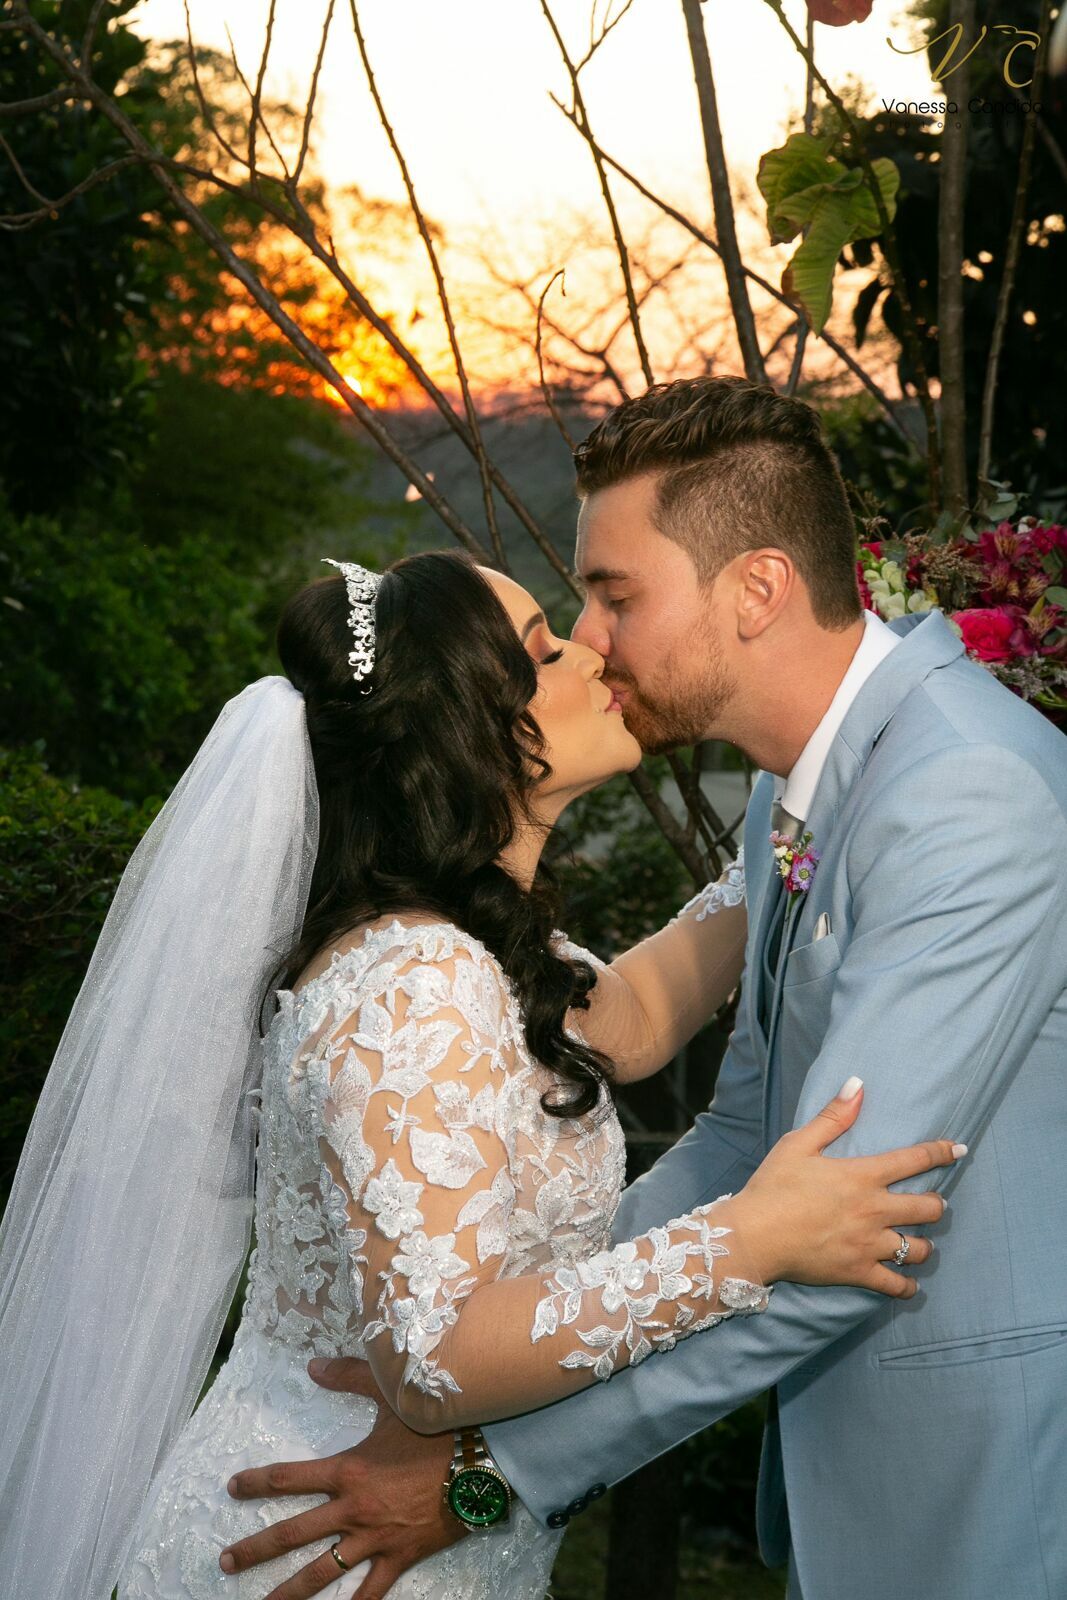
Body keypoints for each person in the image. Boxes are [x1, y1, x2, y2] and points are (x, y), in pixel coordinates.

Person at [216, 377, 1067, 1600]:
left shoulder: (960, 800)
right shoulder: (795, 790)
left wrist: (488, 1460)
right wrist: (527, 1339)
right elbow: (742, 1135)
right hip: (866, 1484)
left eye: (614, 593)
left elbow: (846, 1230)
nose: (592, 638)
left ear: (756, 588)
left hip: (988, 1487)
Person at [0, 541, 961, 1600]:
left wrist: (821, 800)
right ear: (472, 729)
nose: (595, 650)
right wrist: (750, 1236)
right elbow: (433, 1357)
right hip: (324, 1552)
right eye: (547, 650)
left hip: (407, 1540)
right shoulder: (414, 982)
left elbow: (636, 1018)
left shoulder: (479, 950)